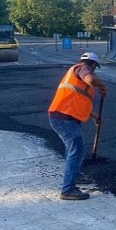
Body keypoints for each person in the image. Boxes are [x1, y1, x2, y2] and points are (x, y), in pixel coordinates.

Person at [47, 52, 108, 200]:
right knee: (78, 149)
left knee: (73, 149)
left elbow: (78, 101)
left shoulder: (76, 75)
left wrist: (95, 116)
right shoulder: (83, 69)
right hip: (63, 118)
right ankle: (67, 190)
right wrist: (102, 86)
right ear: (93, 65)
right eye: (94, 67)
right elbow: (91, 78)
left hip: (66, 117)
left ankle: (76, 175)